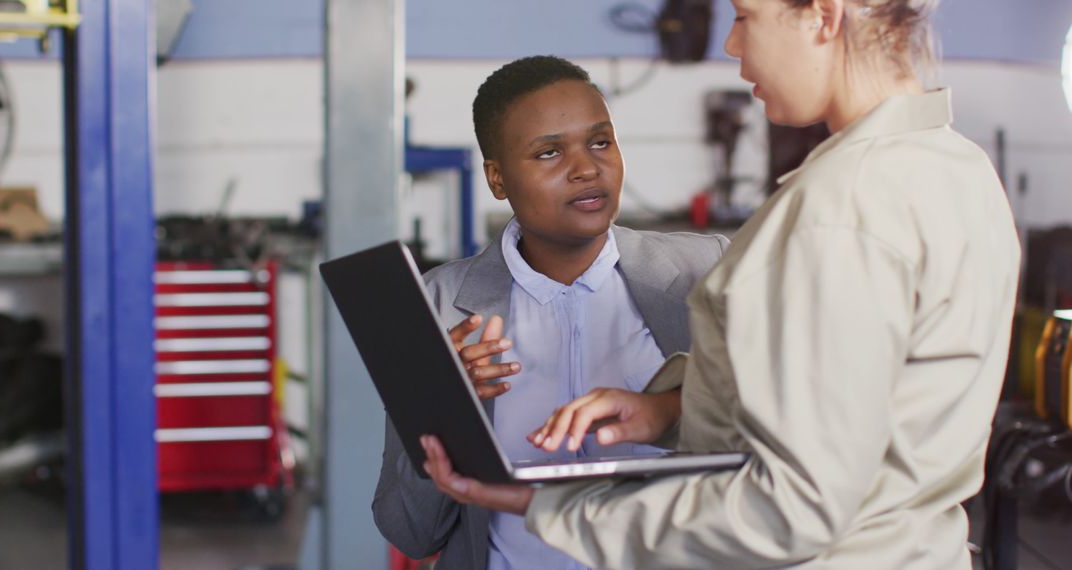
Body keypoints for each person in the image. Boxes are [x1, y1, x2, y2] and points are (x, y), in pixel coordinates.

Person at [419, 1, 1022, 568]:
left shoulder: (839, 212)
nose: (733, 45)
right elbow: (859, 411)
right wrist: (670, 409)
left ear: (821, 15)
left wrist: (550, 505)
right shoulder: (958, 168)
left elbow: (789, 509)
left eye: (745, 16)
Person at [372, 55, 730, 570]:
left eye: (601, 141)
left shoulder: (707, 273)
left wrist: (671, 408)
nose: (587, 168)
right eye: (548, 152)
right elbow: (412, 531)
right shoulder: (437, 305)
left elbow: (766, 460)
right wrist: (441, 412)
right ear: (497, 179)